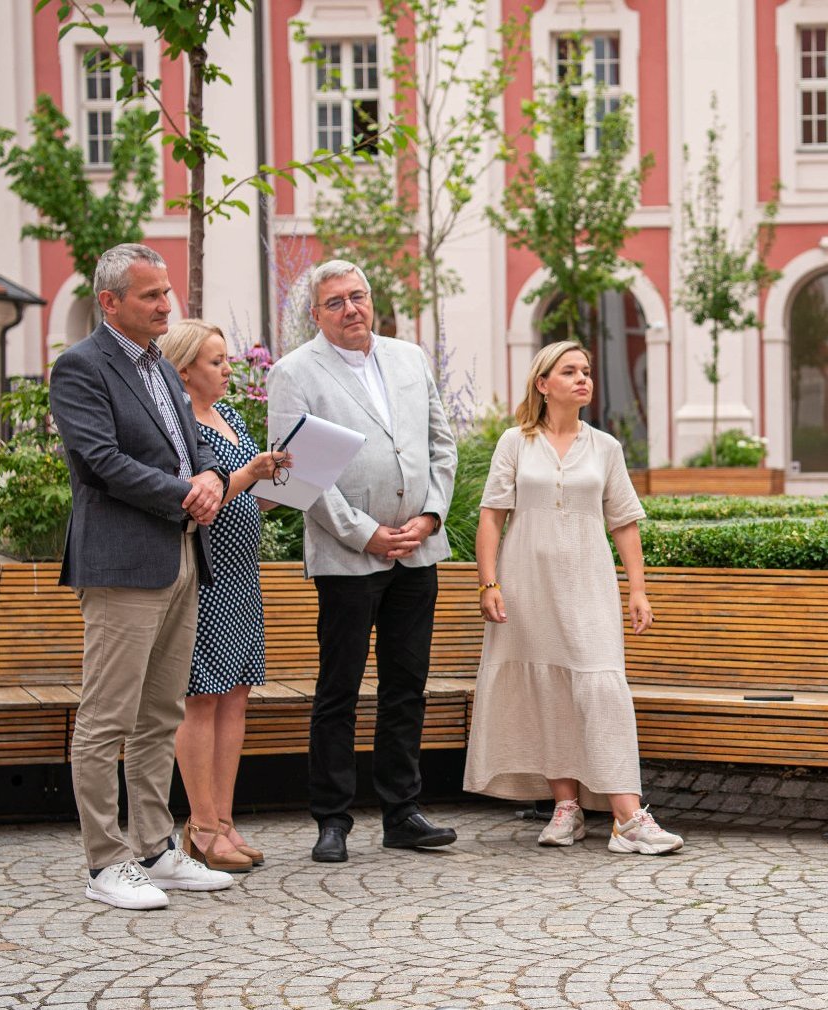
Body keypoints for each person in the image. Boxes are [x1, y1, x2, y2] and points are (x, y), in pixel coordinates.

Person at [50, 243, 235, 909]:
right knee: (107, 718)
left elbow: (197, 446)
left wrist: (212, 476)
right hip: (124, 562)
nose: (167, 305)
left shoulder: (159, 365)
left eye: (166, 293)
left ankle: (155, 849)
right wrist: (188, 492)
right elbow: (99, 461)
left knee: (161, 713)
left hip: (181, 557)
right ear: (110, 303)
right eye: (151, 295)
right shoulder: (80, 368)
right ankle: (106, 861)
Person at [265, 259, 458, 863]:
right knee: (338, 688)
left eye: (358, 297)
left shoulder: (409, 359)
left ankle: (402, 811)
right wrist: (365, 533)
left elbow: (440, 443)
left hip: (418, 550)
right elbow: (299, 476)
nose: (351, 309)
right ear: (315, 315)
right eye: (335, 302)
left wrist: (430, 515)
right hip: (348, 556)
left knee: (408, 686)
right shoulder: (295, 373)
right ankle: (332, 818)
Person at [464, 340, 683, 856]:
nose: (583, 378)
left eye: (586, 371)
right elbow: (492, 517)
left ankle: (629, 818)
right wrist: (489, 583)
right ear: (544, 384)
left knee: (601, 685)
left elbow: (624, 522)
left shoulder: (605, 447)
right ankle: (566, 808)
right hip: (526, 584)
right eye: (570, 371)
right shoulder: (515, 443)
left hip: (588, 581)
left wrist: (638, 590)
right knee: (548, 687)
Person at [158, 319, 287, 873]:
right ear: (184, 369)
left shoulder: (231, 417)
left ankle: (227, 822)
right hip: (202, 570)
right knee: (202, 698)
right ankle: (201, 824)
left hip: (241, 570)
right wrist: (249, 474)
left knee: (236, 694)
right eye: (216, 361)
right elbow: (193, 496)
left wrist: (281, 488)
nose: (228, 369)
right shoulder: (177, 421)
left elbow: (247, 497)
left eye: (227, 359)